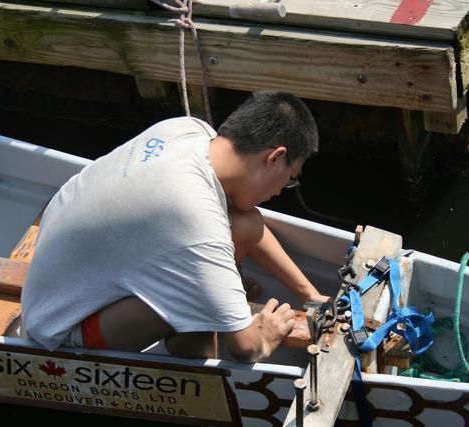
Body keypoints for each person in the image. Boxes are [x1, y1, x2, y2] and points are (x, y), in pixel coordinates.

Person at [21, 91, 328, 362]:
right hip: (60, 326)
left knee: (242, 225)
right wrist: (267, 336)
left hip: (60, 270)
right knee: (199, 287)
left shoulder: (188, 130)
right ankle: (198, 369)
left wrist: (310, 295)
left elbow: (249, 228)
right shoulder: (195, 215)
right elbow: (245, 347)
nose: (278, 192)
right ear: (275, 158)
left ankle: (193, 335)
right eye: (290, 179)